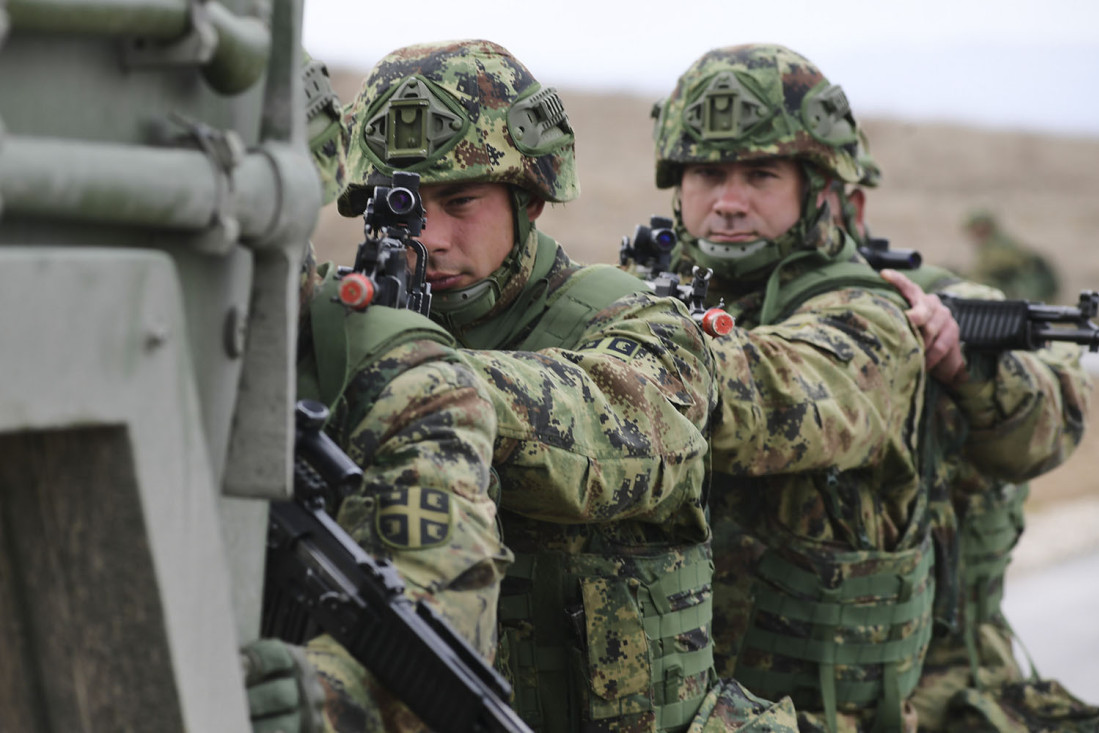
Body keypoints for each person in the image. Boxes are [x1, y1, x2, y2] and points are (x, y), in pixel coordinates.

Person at [332, 39, 798, 732]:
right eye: (402, 211)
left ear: (529, 198)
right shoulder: (346, 327)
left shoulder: (632, 318)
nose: (429, 237)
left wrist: (419, 382)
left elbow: (631, 428)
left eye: (460, 201)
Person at [644, 43, 933, 733]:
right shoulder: (643, 292)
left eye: (760, 175)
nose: (728, 201)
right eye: (707, 174)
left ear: (819, 188)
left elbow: (773, 402)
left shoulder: (870, 317)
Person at [243, 54, 511, 733]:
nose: (431, 237)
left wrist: (319, 697)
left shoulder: (403, 377)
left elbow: (443, 602)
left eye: (461, 201)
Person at [832, 133, 1098, 733]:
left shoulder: (952, 292)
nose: (732, 204)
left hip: (944, 677)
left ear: (848, 203)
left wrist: (965, 369)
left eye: (765, 178)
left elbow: (1055, 414)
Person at [962, 210, 1060, 303]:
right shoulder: (988, 245)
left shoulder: (1001, 244)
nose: (972, 233)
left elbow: (998, 266)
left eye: (975, 228)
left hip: (1023, 291)